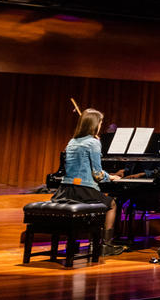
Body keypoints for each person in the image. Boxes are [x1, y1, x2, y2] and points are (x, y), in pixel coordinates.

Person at [53, 108, 124, 256]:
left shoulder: (72, 141)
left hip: (66, 189)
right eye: (100, 122)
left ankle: (75, 243)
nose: (101, 126)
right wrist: (110, 176)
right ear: (94, 124)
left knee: (99, 202)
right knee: (111, 204)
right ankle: (106, 245)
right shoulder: (93, 142)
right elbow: (97, 174)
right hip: (83, 189)